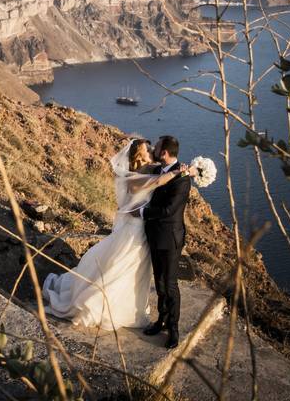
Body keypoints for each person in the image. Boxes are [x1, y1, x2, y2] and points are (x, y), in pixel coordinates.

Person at [41, 138, 195, 331]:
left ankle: (152, 316)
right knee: (120, 268)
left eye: (153, 148)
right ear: (139, 155)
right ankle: (98, 305)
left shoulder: (152, 168)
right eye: (148, 149)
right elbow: (158, 180)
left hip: (147, 232)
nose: (152, 150)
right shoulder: (132, 178)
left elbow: (164, 168)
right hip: (133, 231)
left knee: (139, 272)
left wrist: (190, 169)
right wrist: (179, 171)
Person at [132, 135, 191, 349]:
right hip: (155, 236)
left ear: (164, 152)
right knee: (159, 283)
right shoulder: (158, 171)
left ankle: (174, 329)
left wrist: (142, 212)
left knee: (171, 284)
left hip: (171, 238)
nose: (154, 150)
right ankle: (162, 320)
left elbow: (168, 210)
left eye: (157, 148)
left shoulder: (183, 180)